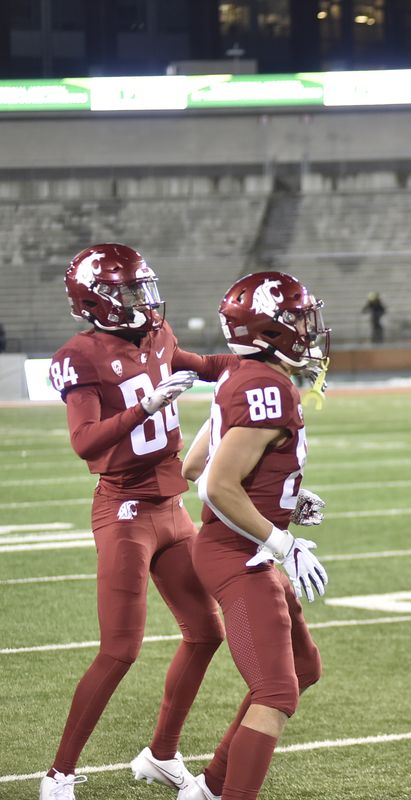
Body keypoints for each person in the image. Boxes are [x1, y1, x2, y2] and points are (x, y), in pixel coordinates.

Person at [42, 243, 233, 800]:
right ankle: (58, 776)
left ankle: (161, 756)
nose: (142, 300)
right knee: (121, 649)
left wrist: (260, 367)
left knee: (206, 632)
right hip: (124, 511)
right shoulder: (80, 355)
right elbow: (84, 442)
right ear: (96, 300)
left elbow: (205, 366)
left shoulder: (158, 335)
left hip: (170, 508)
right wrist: (145, 407)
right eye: (128, 291)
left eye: (141, 288)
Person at [180, 271, 332, 800]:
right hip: (236, 553)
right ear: (269, 330)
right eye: (296, 319)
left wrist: (283, 498)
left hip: (240, 547)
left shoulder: (244, 376)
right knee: (275, 691)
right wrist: (282, 542)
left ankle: (206, 788)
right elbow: (218, 486)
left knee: (304, 668)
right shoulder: (266, 386)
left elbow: (194, 463)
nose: (308, 329)